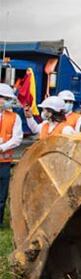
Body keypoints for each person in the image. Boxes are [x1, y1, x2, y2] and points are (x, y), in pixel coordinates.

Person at [0, 84, 25, 229]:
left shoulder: (15, 117)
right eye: (7, 98)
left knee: (1, 195)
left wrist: (2, 147)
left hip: (4, 161)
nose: (9, 101)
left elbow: (17, 138)